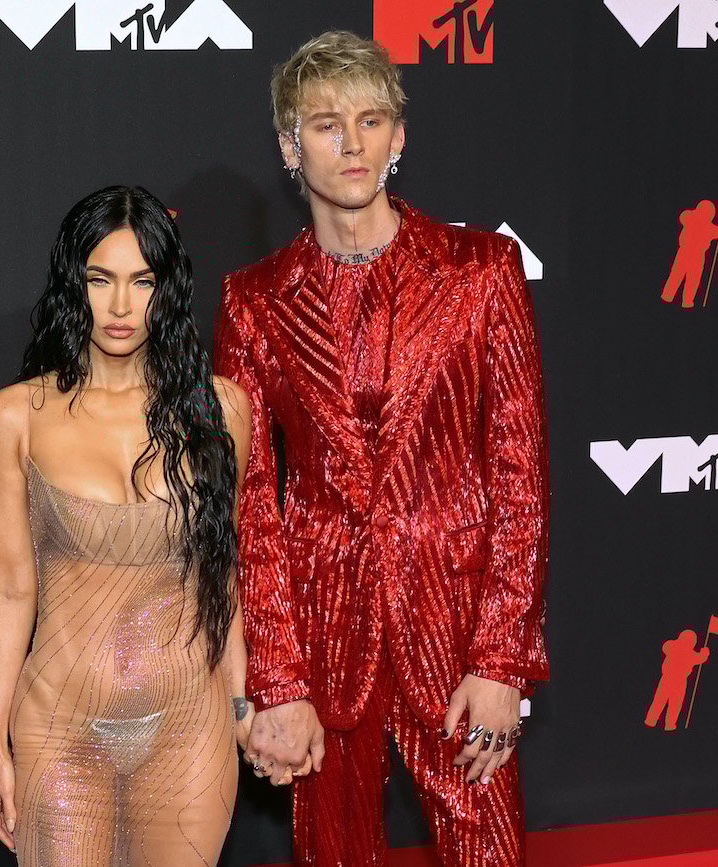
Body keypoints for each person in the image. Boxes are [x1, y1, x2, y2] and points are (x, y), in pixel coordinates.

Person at [213, 32, 550, 865]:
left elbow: (519, 472)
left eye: (372, 120)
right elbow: (249, 507)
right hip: (325, 633)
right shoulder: (252, 302)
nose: (353, 143)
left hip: (459, 625)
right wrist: (278, 681)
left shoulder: (481, 271)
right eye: (327, 124)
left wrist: (503, 656)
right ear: (292, 147)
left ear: (399, 137)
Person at [0, 186, 255, 865]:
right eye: (101, 280)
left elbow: (225, 577)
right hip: (59, 728)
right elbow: (11, 587)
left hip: (191, 726)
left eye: (143, 281)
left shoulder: (222, 409)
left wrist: (244, 707)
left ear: (168, 289)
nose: (123, 306)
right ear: (74, 284)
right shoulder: (15, 417)